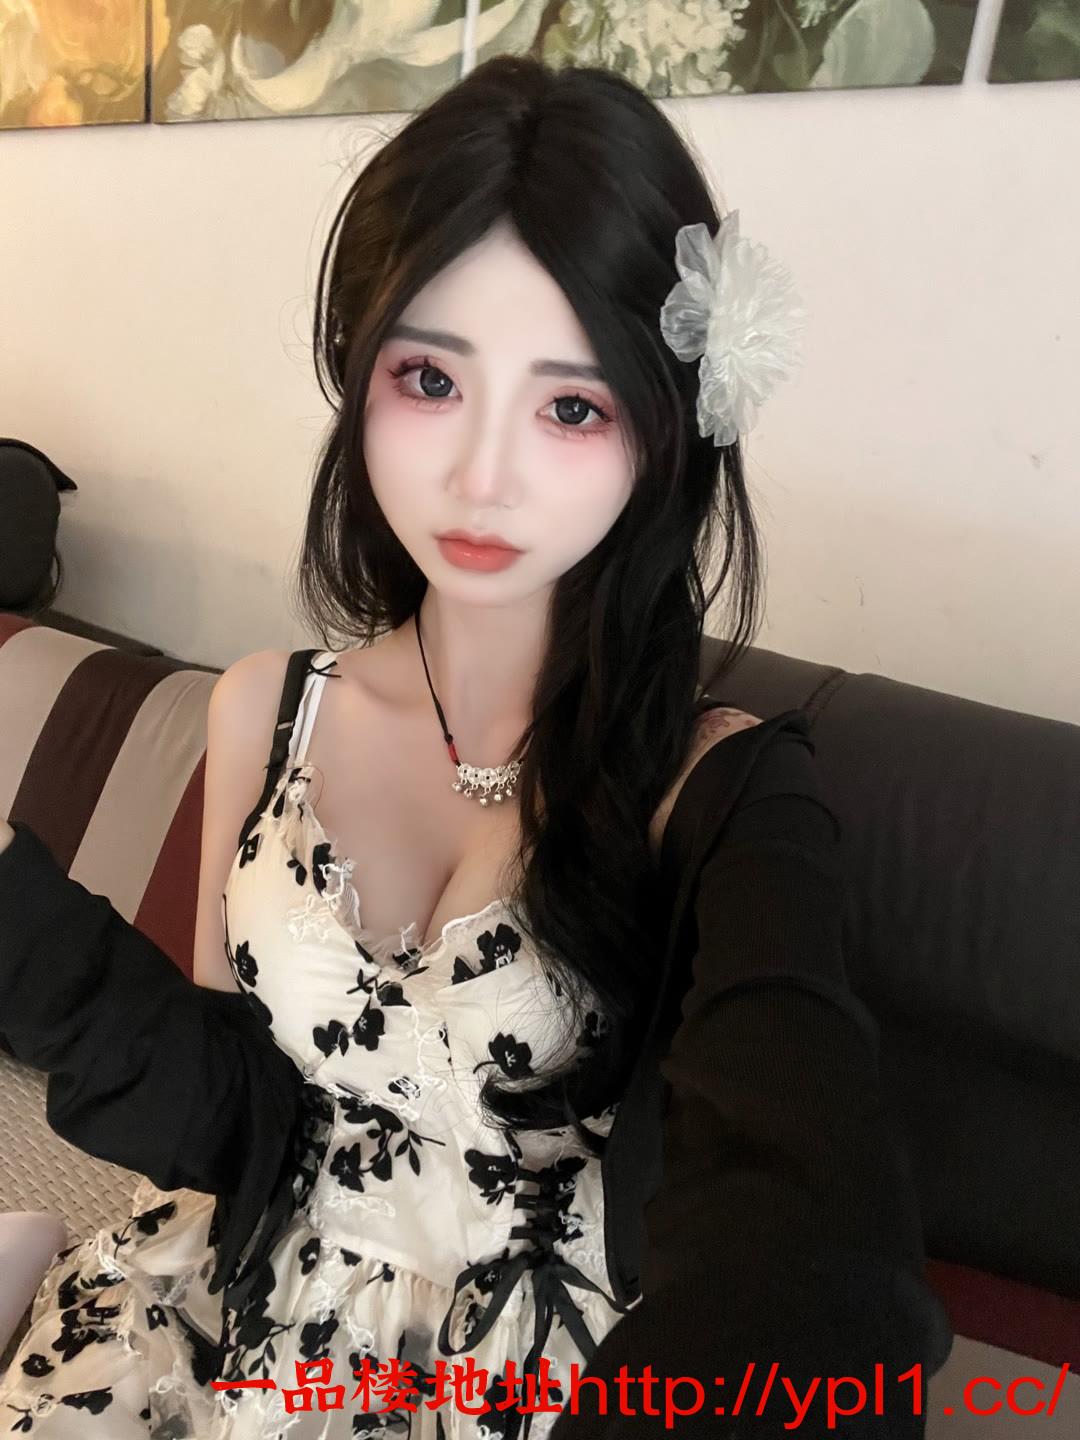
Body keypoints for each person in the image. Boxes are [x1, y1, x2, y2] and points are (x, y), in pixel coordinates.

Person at [0, 53, 952, 1440]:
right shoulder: (264, 707)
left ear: (664, 432)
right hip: (232, 1304)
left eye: (572, 406)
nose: (482, 474)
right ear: (358, 377)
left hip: (525, 1377)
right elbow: (232, 1104)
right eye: (431, 378)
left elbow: (804, 1202)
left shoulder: (724, 788)